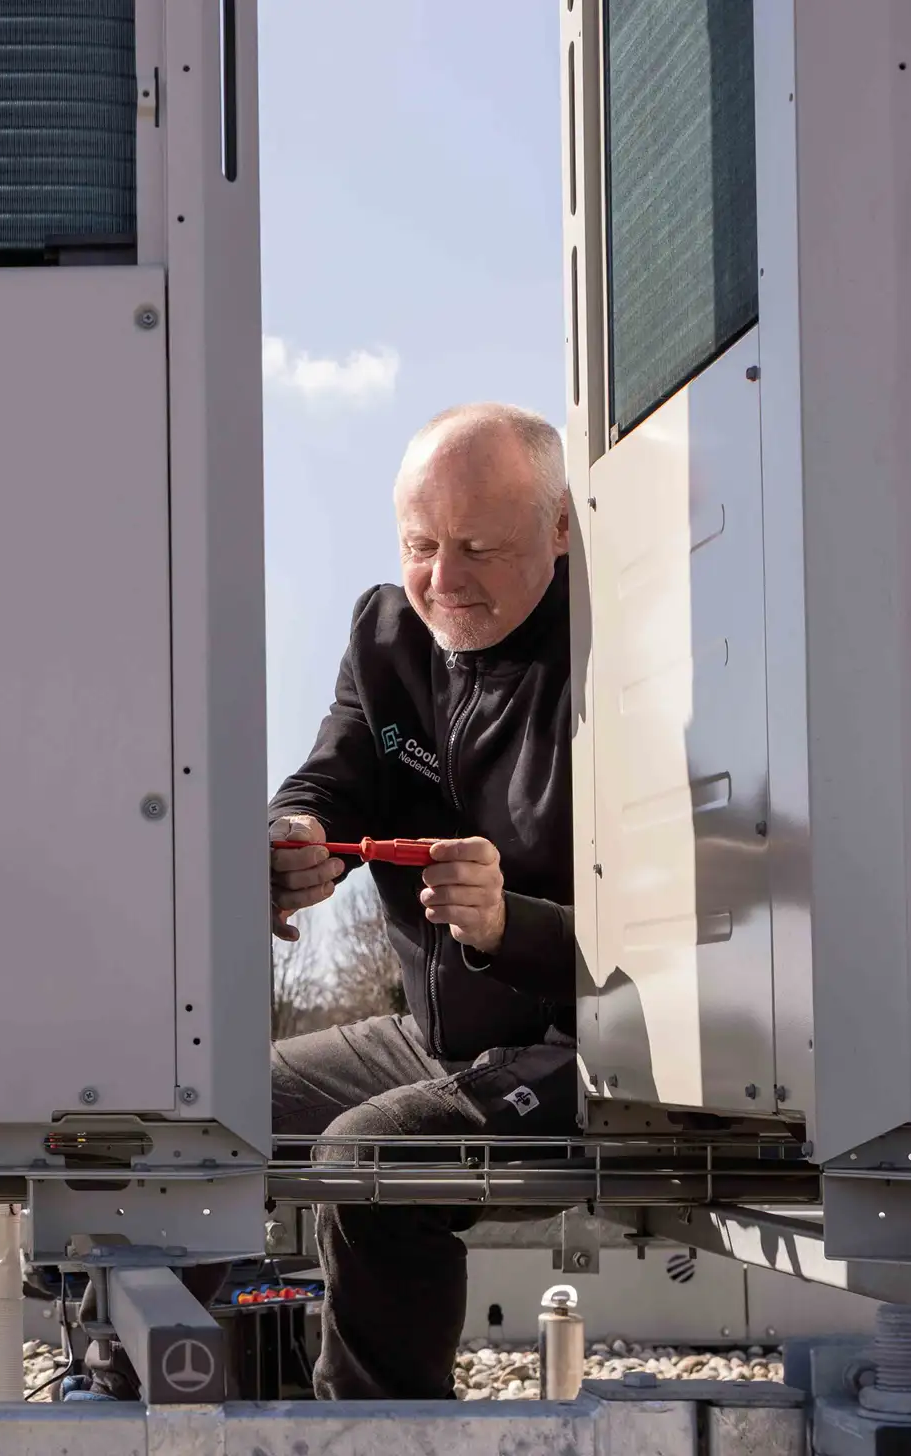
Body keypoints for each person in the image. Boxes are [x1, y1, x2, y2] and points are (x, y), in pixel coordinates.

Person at [268, 401, 578, 1401]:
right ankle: (213, 1392)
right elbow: (329, 780)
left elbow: (684, 940)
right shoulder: (386, 632)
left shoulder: (619, 656)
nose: (444, 580)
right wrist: (293, 841)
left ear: (560, 528)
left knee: (367, 1159)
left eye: (479, 548)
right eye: (421, 545)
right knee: (202, 1102)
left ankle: (379, 1434)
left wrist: (506, 925)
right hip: (436, 1034)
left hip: (592, 1045)